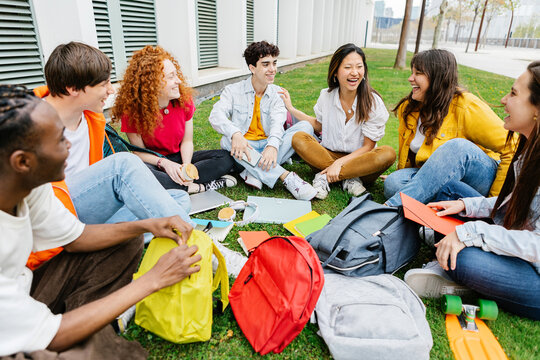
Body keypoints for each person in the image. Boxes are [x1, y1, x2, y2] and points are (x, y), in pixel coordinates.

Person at [0, 84, 201, 358]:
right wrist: (152, 280)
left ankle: (84, 320)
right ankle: (81, 330)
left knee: (125, 239)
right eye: (60, 140)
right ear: (22, 161)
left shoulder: (32, 187)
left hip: (25, 292)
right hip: (12, 326)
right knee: (81, 352)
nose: (69, 144)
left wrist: (145, 226)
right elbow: (54, 337)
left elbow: (76, 238)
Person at [29, 42, 194, 263]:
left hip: (87, 213)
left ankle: (100, 242)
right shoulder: (27, 127)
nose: (112, 90)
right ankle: (200, 248)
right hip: (54, 217)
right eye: (104, 84)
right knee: (122, 166)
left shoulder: (91, 120)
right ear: (73, 88)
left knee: (178, 199)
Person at [404, 61, 540, 320]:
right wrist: (466, 206)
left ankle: (456, 272)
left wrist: (470, 232)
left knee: (464, 260)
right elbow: (514, 203)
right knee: (450, 192)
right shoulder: (529, 150)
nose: (503, 100)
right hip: (509, 233)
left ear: (537, 110)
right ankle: (447, 244)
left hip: (533, 272)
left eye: (513, 93)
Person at [383, 49, 515, 207]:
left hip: (480, 177)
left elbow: (512, 147)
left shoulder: (466, 106)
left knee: (457, 147)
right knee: (394, 183)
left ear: (437, 78)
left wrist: (493, 203)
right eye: (412, 72)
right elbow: (411, 158)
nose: (410, 78)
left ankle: (387, 210)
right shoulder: (410, 108)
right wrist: (411, 183)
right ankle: (445, 202)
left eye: (418, 73)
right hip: (442, 176)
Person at [113, 45, 236, 194]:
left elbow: (187, 141)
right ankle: (199, 187)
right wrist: (165, 164)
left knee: (224, 158)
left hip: (179, 158)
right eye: (171, 77)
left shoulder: (184, 101)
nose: (178, 81)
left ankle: (176, 185)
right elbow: (139, 153)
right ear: (152, 84)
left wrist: (185, 167)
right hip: (155, 162)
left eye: (176, 75)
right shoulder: (132, 113)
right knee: (141, 173)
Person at [281, 43, 396, 199]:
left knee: (387, 153)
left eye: (359, 67)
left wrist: (339, 164)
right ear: (335, 72)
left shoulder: (372, 102)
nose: (354, 73)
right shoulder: (326, 96)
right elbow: (318, 125)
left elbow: (368, 146)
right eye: (348, 67)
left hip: (360, 161)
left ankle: (326, 176)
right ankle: (348, 180)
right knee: (298, 138)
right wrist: (292, 109)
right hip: (327, 155)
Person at [208, 41, 317, 201]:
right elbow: (215, 115)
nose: (272, 69)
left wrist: (272, 145)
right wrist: (236, 133)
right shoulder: (232, 91)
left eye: (274, 63)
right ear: (252, 68)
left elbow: (277, 123)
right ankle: (286, 177)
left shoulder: (277, 93)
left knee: (306, 127)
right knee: (227, 139)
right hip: (245, 146)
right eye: (265, 64)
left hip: (267, 147)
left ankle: (253, 172)